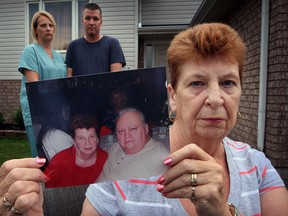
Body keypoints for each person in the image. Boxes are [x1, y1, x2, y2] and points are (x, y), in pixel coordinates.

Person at [1, 23, 287, 216]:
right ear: (172, 96)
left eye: (228, 83)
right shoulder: (119, 168)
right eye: (197, 83)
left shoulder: (258, 167)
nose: (216, 98)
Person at [18, 11, 67, 157]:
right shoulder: (30, 51)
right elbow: (34, 87)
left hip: (58, 113)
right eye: (43, 25)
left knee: (58, 154)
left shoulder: (59, 57)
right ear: (35, 30)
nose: (48, 28)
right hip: (37, 114)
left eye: (51, 25)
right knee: (41, 156)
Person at [97, 108, 169, 182]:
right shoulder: (116, 146)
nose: (127, 136)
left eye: (133, 129)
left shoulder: (160, 157)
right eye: (121, 131)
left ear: (146, 128)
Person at [44, 114, 108, 188]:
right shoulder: (59, 161)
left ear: (97, 139)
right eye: (81, 138)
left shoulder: (105, 160)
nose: (87, 143)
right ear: (74, 141)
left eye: (91, 136)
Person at [66, 3, 126, 77]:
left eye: (95, 19)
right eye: (88, 18)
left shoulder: (112, 44)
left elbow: (116, 78)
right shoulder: (73, 46)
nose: (91, 22)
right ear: (82, 21)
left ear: (101, 22)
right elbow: (69, 79)